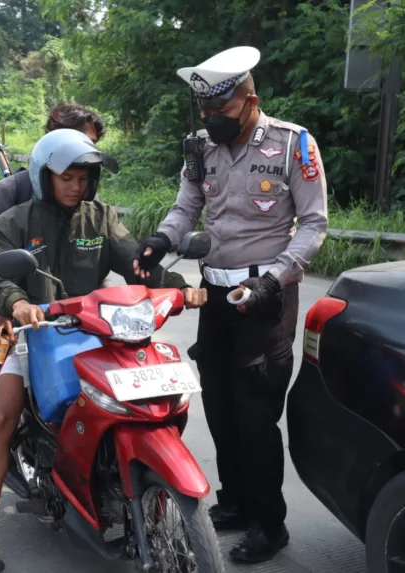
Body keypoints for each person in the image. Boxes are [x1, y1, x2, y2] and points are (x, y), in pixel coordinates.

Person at [0, 129, 208, 573]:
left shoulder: (99, 218)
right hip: (38, 334)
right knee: (1, 419)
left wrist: (179, 287)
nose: (76, 186)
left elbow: (136, 263)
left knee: (139, 400)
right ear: (44, 176)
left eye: (84, 178)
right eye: (67, 178)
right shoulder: (15, 221)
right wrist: (18, 303)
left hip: (98, 330)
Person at [133, 46, 328, 564]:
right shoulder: (200, 148)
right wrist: (160, 240)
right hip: (217, 296)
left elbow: (314, 224)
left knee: (255, 416)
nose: (210, 119)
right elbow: (187, 206)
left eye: (220, 109)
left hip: (266, 297)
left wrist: (274, 280)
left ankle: (269, 524)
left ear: (250, 102)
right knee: (220, 407)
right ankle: (236, 502)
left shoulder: (293, 144)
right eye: (204, 109)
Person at [0, 103, 106, 466]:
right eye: (73, 143)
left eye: (89, 147)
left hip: (76, 312)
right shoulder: (10, 191)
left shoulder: (90, 201)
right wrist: (0, 309)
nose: (78, 179)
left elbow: (114, 255)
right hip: (17, 307)